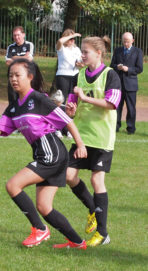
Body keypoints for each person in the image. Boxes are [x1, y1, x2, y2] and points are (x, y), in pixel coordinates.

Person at [0, 58, 88, 250]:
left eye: (18, 75)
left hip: (51, 153)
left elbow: (67, 121)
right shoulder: (14, 106)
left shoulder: (39, 99)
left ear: (30, 77)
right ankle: (78, 242)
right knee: (44, 207)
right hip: (45, 154)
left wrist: (80, 145)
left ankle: (39, 229)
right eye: (11, 75)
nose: (13, 79)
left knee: (13, 185)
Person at [66, 36, 121, 247]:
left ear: (98, 53)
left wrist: (86, 98)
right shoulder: (78, 76)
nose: (83, 55)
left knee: (97, 181)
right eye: (82, 51)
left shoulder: (111, 75)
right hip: (82, 136)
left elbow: (112, 103)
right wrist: (71, 110)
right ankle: (92, 208)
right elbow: (72, 107)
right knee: (69, 176)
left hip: (102, 138)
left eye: (86, 51)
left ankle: (103, 233)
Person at [110, 32, 143, 134]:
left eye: (128, 41)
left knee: (131, 108)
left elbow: (139, 68)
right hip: (119, 84)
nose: (126, 44)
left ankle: (131, 128)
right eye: (124, 41)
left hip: (131, 84)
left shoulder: (138, 51)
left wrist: (128, 69)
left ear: (132, 41)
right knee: (117, 107)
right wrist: (118, 67)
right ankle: (116, 126)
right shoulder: (118, 50)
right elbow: (112, 64)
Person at [5, 26, 34, 104]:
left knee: (25, 99)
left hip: (25, 76)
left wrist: (14, 58)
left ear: (23, 35)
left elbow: (29, 60)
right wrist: (23, 57)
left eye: (18, 35)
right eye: (14, 35)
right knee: (13, 100)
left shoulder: (29, 45)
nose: (16, 37)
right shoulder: (10, 47)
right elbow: (7, 62)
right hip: (13, 76)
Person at [55, 29, 83, 103]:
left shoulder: (76, 49)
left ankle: (71, 113)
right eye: (70, 39)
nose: (72, 40)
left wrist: (80, 65)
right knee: (62, 99)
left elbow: (81, 62)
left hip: (75, 75)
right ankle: (60, 113)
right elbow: (60, 41)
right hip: (63, 75)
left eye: (73, 39)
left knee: (73, 98)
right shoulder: (61, 48)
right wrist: (73, 35)